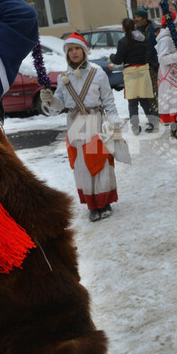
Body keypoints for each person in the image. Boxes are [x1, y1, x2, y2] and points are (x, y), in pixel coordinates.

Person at [40, 33, 121, 221]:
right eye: (70, 50)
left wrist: (114, 123)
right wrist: (50, 100)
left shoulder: (98, 74)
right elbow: (59, 105)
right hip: (75, 124)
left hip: (96, 121)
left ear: (84, 51)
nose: (74, 52)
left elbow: (108, 101)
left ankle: (104, 203)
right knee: (82, 165)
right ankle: (92, 205)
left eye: (77, 48)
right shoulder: (63, 77)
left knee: (99, 162)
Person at [110, 18, 159, 135]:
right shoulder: (142, 38)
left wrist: (112, 56)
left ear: (123, 28)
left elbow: (118, 60)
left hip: (130, 73)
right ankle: (154, 123)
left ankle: (135, 127)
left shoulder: (122, 42)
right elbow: (148, 54)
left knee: (132, 102)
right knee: (144, 99)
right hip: (143, 72)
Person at [134, 6, 160, 112]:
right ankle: (155, 113)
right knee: (148, 91)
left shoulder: (155, 29)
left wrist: (157, 61)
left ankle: (163, 112)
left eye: (138, 17)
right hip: (143, 65)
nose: (136, 19)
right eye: (135, 17)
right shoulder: (135, 31)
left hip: (156, 64)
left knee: (158, 89)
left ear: (144, 18)